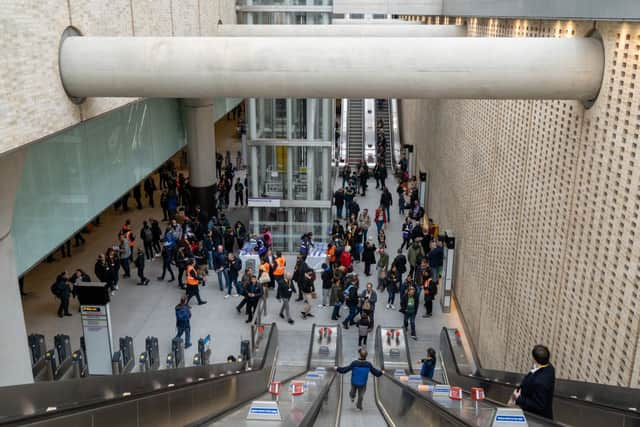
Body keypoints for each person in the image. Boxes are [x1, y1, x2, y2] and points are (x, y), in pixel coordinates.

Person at [511, 345, 556, 419]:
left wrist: (518, 398)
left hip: (537, 419)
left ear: (534, 359)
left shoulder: (540, 382)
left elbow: (539, 405)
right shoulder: (549, 368)